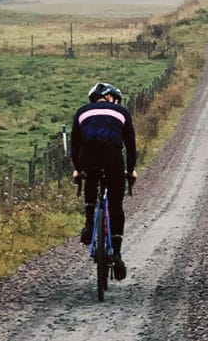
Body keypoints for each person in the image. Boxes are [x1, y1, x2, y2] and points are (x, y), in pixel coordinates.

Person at [70, 82, 138, 281]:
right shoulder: (122, 112)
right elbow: (131, 145)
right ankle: (116, 254)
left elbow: (75, 145)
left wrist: (77, 168)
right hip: (113, 159)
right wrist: (131, 169)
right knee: (116, 204)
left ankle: (89, 223)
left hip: (88, 158)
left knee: (91, 180)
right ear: (111, 98)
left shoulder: (81, 111)